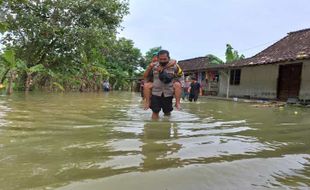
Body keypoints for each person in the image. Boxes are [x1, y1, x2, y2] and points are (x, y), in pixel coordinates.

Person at [144, 50, 184, 119]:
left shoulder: (174, 66)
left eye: (164, 59)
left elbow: (181, 75)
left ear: (169, 58)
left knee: (167, 112)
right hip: (156, 92)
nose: (162, 61)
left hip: (168, 92)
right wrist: (149, 67)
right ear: (158, 58)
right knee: (155, 111)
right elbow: (145, 77)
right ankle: (154, 126)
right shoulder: (153, 66)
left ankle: (177, 103)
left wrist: (163, 68)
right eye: (160, 59)